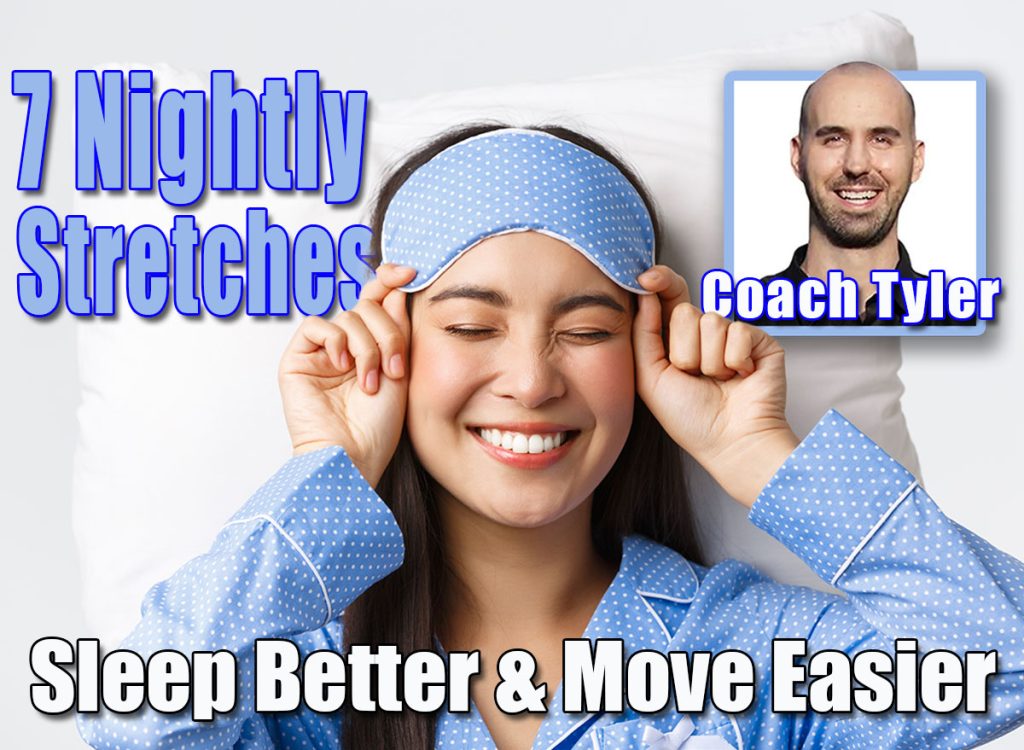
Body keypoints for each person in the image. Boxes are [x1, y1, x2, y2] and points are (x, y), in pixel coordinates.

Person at [78, 124, 1024, 749]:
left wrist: (760, 453)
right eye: (471, 326)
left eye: (584, 331)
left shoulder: (752, 658)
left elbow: (1003, 655)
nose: (531, 381)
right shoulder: (299, 675)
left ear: (646, 352)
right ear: (394, 345)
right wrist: (328, 472)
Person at [757, 62, 967, 326]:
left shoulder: (963, 322)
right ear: (798, 157)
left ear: (916, 160)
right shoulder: (740, 324)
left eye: (881, 139)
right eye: (834, 138)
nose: (856, 165)